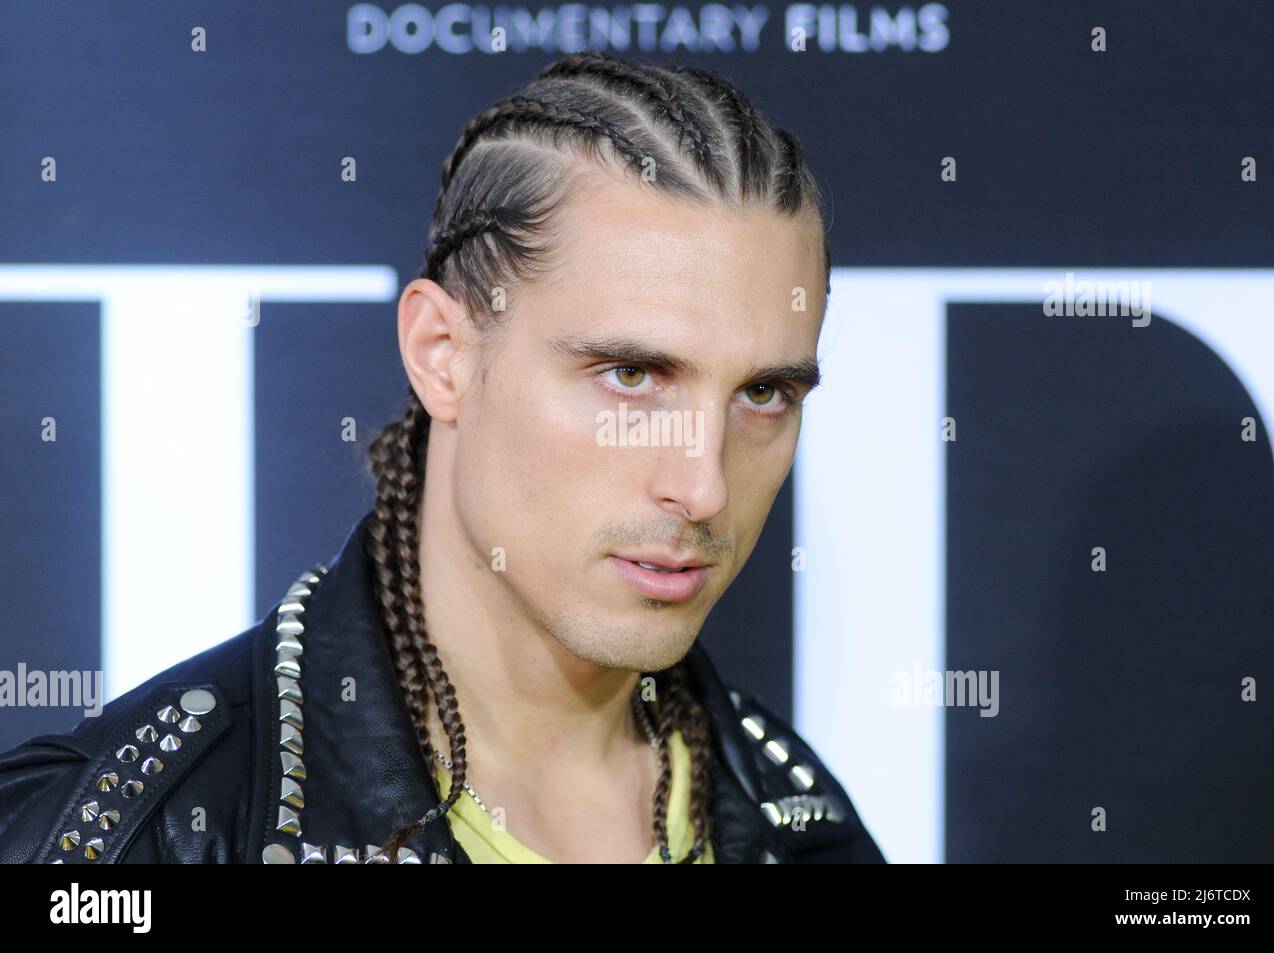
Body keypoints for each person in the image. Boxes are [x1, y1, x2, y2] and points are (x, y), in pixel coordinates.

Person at [0, 51, 886, 864]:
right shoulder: (125, 838)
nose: (703, 485)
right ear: (441, 353)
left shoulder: (807, 829)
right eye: (630, 374)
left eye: (763, 394)